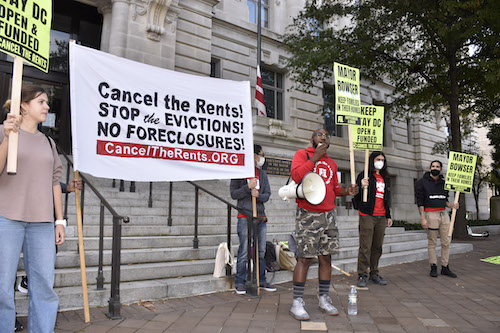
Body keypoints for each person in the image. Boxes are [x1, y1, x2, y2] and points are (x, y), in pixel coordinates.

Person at [0, 86, 66, 332]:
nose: (47, 106)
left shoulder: (48, 142)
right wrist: (8, 138)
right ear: (24, 105)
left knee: (43, 287)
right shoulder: (4, 132)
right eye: (41, 101)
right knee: (2, 287)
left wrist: (59, 221)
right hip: (6, 219)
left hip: (41, 224)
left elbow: (54, 183)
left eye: (47, 102)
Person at [289, 128, 358, 321]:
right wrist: (314, 158)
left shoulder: (332, 163)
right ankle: (297, 302)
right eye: (320, 134)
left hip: (329, 215)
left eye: (327, 136)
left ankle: (324, 298)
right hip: (308, 214)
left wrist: (347, 191)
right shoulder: (302, 154)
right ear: (312, 139)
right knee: (304, 258)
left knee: (326, 258)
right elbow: (296, 176)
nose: (324, 137)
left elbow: (334, 188)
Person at [230, 144, 276, 294]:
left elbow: (267, 194)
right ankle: (240, 281)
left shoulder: (262, 175)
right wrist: (247, 188)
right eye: (261, 155)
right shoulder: (239, 173)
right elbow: (234, 194)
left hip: (260, 217)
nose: (262, 158)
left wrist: (258, 196)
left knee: (260, 250)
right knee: (244, 249)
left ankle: (261, 279)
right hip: (245, 216)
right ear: (254, 156)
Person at [352, 151, 392, 287]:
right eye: (377, 159)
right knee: (365, 246)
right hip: (367, 215)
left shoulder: (385, 178)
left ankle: (374, 272)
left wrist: (388, 215)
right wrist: (361, 186)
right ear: (372, 160)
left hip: (381, 217)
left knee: (377, 246)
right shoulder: (364, 176)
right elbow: (355, 195)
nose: (380, 161)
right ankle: (362, 274)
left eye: (382, 159)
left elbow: (387, 199)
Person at [415, 160, 459, 278]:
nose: (435, 168)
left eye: (437, 166)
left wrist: (452, 206)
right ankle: (433, 266)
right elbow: (420, 202)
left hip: (444, 214)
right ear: (430, 168)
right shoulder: (421, 183)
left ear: (441, 169)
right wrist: (423, 218)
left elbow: (444, 199)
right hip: (430, 214)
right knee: (432, 242)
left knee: (446, 242)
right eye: (433, 166)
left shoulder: (444, 183)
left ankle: (445, 266)